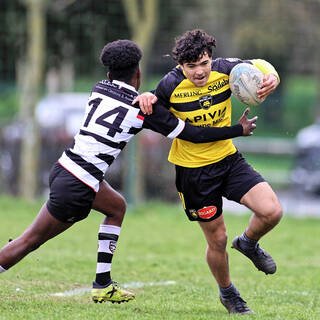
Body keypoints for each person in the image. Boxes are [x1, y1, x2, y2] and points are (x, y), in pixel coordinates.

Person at [0, 39, 258, 304]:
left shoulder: (99, 88)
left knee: (116, 208)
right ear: (139, 72)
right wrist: (238, 130)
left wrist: (149, 95)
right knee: (29, 241)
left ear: (109, 73)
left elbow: (127, 99)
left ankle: (102, 284)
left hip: (67, 169)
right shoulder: (142, 110)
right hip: (77, 185)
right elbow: (193, 134)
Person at [133, 29, 282, 315]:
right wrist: (148, 98)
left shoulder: (226, 69)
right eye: (192, 66)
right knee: (218, 239)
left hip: (228, 160)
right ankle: (228, 294)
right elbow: (152, 107)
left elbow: (260, 65)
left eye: (204, 63)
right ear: (181, 65)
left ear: (211, 58)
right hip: (194, 173)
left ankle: (249, 244)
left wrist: (271, 77)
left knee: (272, 211)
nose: (200, 72)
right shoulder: (169, 85)